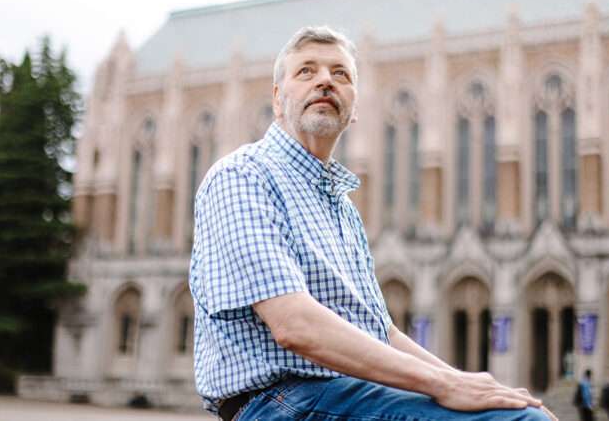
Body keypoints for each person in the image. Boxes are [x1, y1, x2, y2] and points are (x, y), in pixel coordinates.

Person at [189, 25, 557, 421]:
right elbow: (294, 325)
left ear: (356, 106)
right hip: (279, 402)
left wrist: (477, 387)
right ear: (278, 100)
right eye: (306, 72)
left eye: (341, 74)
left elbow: (384, 334)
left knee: (516, 411)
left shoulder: (342, 208)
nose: (326, 80)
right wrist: (445, 385)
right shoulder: (242, 176)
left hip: (346, 393)